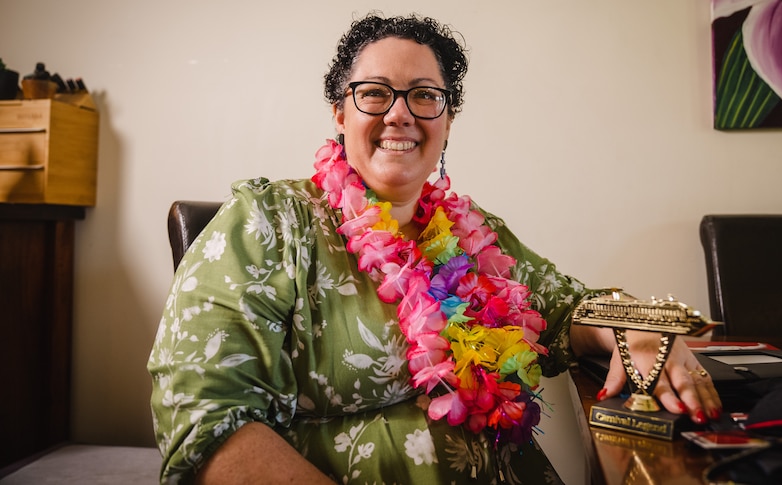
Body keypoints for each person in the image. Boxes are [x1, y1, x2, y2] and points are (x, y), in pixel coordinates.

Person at [148, 13, 722, 485]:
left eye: (424, 95)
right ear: (339, 113)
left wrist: (639, 329)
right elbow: (207, 420)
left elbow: (568, 307)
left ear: (446, 120)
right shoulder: (269, 222)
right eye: (375, 94)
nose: (400, 112)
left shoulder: (474, 234)